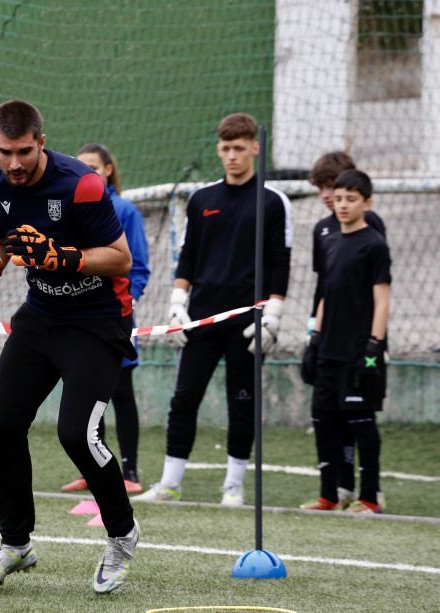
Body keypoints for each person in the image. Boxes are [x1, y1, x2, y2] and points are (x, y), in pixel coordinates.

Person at [0, 100, 139, 594]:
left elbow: (120, 259)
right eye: (5, 153)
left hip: (97, 323)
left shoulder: (81, 183)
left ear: (41, 141)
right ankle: (15, 544)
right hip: (40, 318)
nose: (14, 164)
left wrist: (63, 258)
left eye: (24, 152)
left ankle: (122, 535)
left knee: (76, 435)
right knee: (3, 423)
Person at [134, 113, 292, 506]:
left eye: (240, 148)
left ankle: (233, 488)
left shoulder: (274, 201)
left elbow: (280, 263)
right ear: (219, 150)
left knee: (242, 402)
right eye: (225, 148)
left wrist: (273, 316)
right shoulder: (202, 199)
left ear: (255, 147)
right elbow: (187, 257)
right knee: (184, 399)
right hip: (201, 317)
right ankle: (169, 484)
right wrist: (176, 307)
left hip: (248, 322)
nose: (232, 155)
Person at [61, 143, 150, 494]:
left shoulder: (125, 210)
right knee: (86, 394)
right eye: (81, 167)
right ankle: (94, 469)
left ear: (109, 170)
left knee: (121, 392)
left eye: (94, 167)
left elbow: (137, 265)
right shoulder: (70, 206)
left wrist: (124, 302)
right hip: (78, 320)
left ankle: (130, 473)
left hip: (114, 318)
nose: (87, 173)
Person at [300, 169, 390, 514]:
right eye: (338, 199)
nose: (342, 205)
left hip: (358, 352)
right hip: (328, 349)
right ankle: (329, 495)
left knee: (361, 423)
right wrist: (314, 339)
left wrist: (373, 347)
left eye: (351, 199)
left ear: (366, 203)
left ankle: (369, 497)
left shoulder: (374, 244)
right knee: (323, 418)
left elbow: (382, 300)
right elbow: (325, 293)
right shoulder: (329, 239)